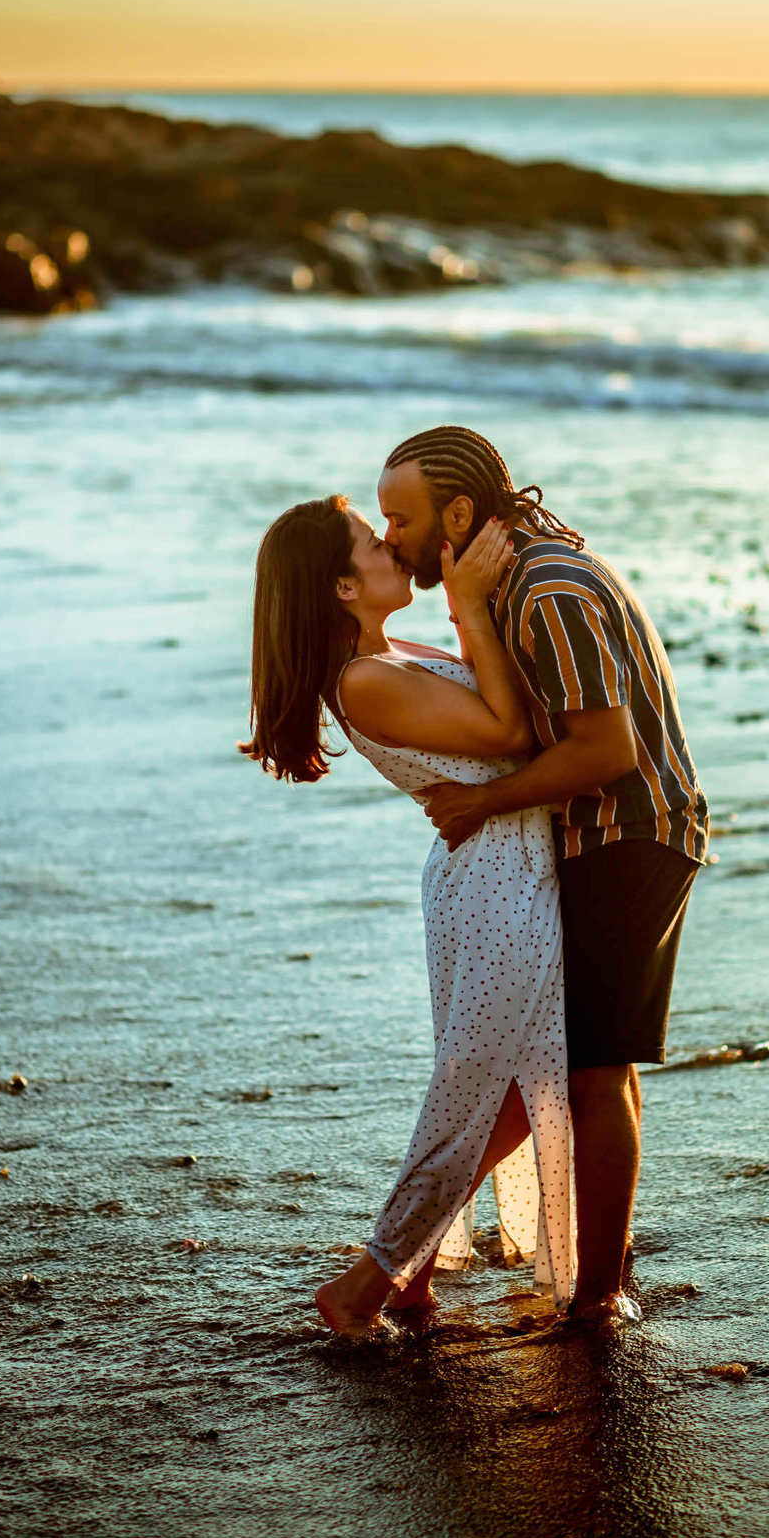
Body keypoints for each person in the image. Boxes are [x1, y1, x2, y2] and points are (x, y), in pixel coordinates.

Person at [376, 426, 708, 1323]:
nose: (391, 537)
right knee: (556, 1070)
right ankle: (422, 1257)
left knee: (596, 1072)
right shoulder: (516, 575)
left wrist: (482, 804)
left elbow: (606, 749)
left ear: (456, 511)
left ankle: (596, 1298)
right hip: (596, 835)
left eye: (399, 519)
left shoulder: (547, 589)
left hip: (629, 834)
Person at [242, 496, 577, 1335]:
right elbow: (510, 730)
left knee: (502, 1083)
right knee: (484, 1093)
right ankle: (369, 1278)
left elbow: (497, 706)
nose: (395, 544)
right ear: (346, 587)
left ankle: (412, 1268)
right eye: (373, 541)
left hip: (502, 871)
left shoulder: (393, 654)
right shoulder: (365, 680)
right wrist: (468, 600)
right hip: (497, 887)